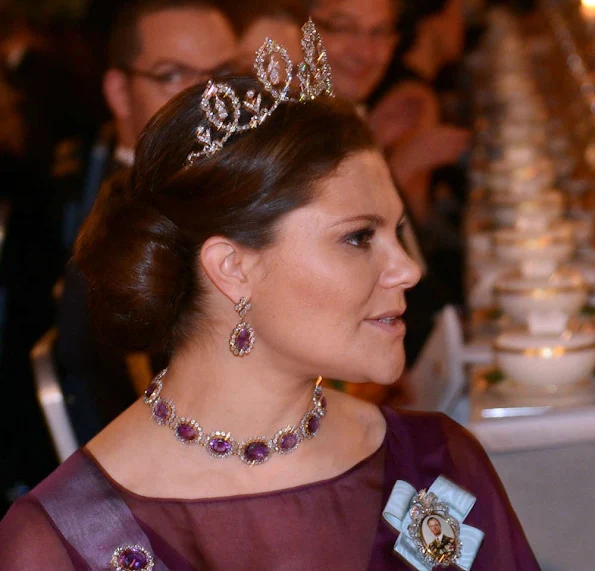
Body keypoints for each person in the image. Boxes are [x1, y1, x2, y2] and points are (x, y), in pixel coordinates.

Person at [0, 24, 539, 570]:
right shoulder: (64, 543)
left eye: (397, 233)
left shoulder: (439, 466)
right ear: (232, 269)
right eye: (358, 238)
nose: (407, 270)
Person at [55, 0, 238, 444]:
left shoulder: (209, 193)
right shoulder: (127, 233)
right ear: (120, 93)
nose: (208, 99)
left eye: (223, 75)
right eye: (173, 74)